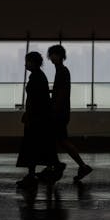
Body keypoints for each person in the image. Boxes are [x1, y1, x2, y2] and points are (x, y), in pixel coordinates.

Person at [39, 44, 93, 182]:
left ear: (60, 56)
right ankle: (60, 166)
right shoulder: (61, 71)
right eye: (51, 55)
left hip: (58, 113)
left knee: (57, 140)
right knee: (58, 140)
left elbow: (62, 94)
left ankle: (56, 166)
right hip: (61, 112)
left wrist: (53, 109)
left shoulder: (62, 71)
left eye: (54, 54)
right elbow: (60, 92)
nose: (51, 57)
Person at [16, 51, 60, 188]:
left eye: (27, 61)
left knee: (31, 146)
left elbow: (35, 100)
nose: (25, 64)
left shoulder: (36, 78)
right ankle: (47, 170)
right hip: (40, 117)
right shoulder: (39, 76)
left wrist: (28, 114)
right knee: (39, 145)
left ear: (33, 62)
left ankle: (32, 175)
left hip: (36, 118)